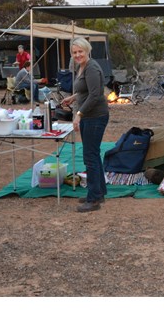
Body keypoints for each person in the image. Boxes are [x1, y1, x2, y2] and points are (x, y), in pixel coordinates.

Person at [61, 37, 109, 213]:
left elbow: (95, 95)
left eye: (80, 51)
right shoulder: (82, 67)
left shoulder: (92, 68)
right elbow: (86, 89)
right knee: (93, 155)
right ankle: (99, 193)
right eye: (74, 52)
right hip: (89, 116)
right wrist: (73, 97)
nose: (77, 55)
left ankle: (93, 199)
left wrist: (78, 115)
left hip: (94, 117)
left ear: (87, 50)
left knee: (90, 156)